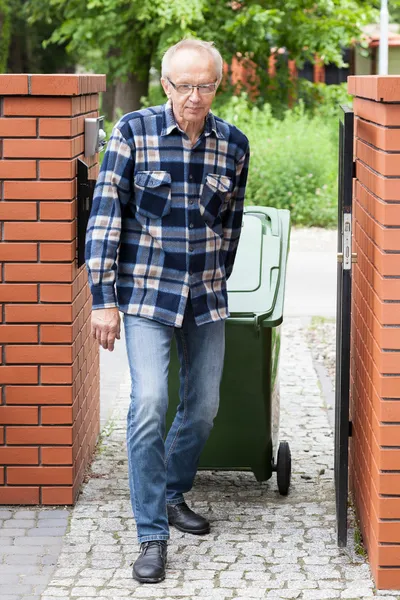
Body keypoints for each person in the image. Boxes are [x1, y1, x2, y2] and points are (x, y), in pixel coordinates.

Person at [85, 38, 250, 584]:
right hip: (145, 293)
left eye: (204, 85)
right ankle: (151, 534)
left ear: (217, 86)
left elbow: (231, 225)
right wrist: (103, 301)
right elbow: (106, 218)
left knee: (203, 406)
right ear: (165, 85)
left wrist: (217, 278)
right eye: (184, 86)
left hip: (204, 294)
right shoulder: (133, 133)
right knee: (151, 400)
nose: (194, 97)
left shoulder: (233, 144)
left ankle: (174, 490)